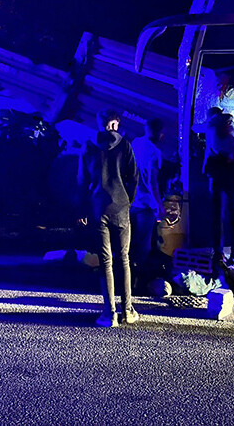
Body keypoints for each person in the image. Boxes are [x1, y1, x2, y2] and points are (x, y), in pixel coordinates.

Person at [78, 109, 139, 327]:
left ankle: (109, 313)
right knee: (123, 258)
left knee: (106, 261)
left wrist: (83, 210)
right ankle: (128, 311)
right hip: (121, 207)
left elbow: (82, 181)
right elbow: (133, 178)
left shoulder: (89, 146)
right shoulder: (125, 145)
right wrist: (127, 201)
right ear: (116, 124)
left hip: (97, 208)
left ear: (100, 123)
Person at [204, 110, 234, 267]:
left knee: (218, 215)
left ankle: (218, 251)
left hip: (217, 175)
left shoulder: (211, 128)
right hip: (232, 174)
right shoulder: (231, 129)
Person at [130, 117, 165, 292]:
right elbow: (152, 182)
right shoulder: (154, 152)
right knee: (144, 245)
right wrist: (159, 205)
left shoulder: (135, 143)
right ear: (160, 133)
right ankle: (137, 283)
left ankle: (125, 278)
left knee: (130, 241)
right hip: (146, 205)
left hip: (131, 202)